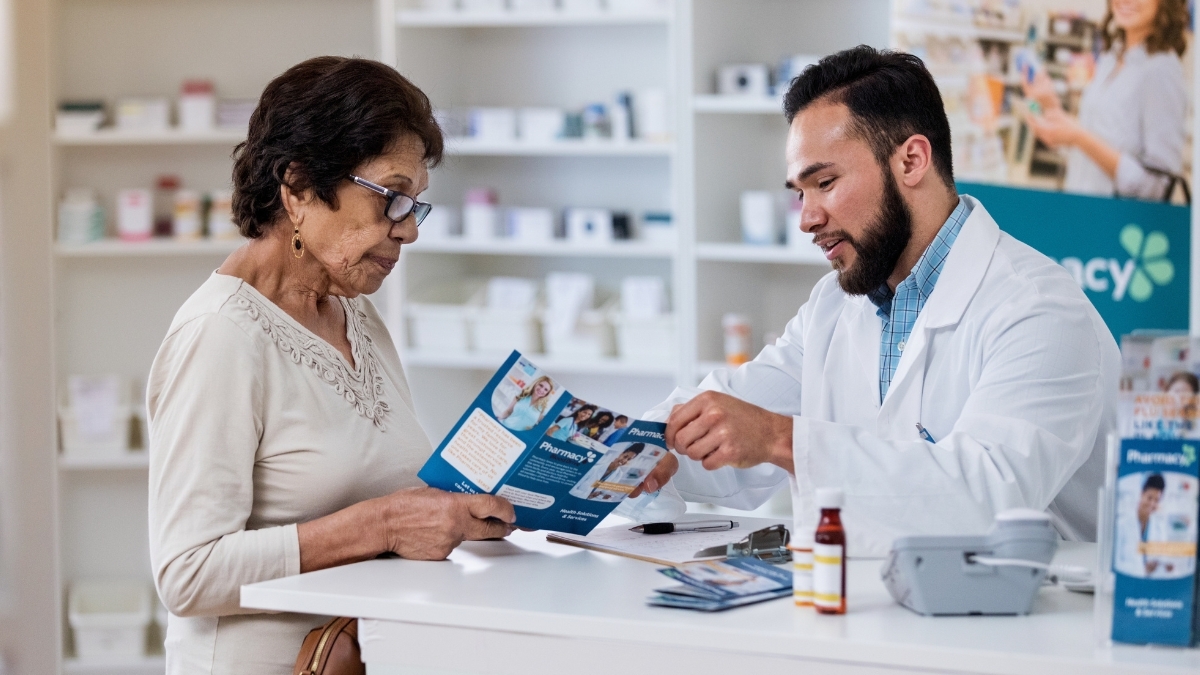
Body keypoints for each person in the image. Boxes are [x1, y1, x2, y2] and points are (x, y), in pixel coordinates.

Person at [636, 46, 1119, 556]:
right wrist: (627, 450)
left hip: (1035, 618)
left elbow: (986, 499)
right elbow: (733, 417)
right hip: (887, 608)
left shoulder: (1039, 310)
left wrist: (781, 440)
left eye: (825, 183)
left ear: (911, 159)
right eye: (801, 193)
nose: (807, 218)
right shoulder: (837, 306)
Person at [147, 57, 516, 675]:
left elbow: (377, 490)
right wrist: (384, 525)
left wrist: (454, 512)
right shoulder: (220, 336)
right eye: (392, 199)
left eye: (415, 206)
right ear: (297, 187)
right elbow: (188, 575)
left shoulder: (355, 315)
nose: (409, 232)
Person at [1022, 0, 1188, 200]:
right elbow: (1095, 139)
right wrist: (1049, 104)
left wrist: (1078, 137)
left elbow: (1159, 187)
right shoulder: (1111, 58)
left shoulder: (1161, 71)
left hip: (1116, 223)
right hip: (1083, 209)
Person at [1115, 474, 1165, 577]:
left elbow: (1160, 560)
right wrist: (1143, 569)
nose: (1152, 503)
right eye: (1149, 498)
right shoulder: (1122, 524)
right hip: (1128, 582)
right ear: (1142, 494)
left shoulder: (1158, 528)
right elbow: (1116, 563)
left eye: (1156, 500)